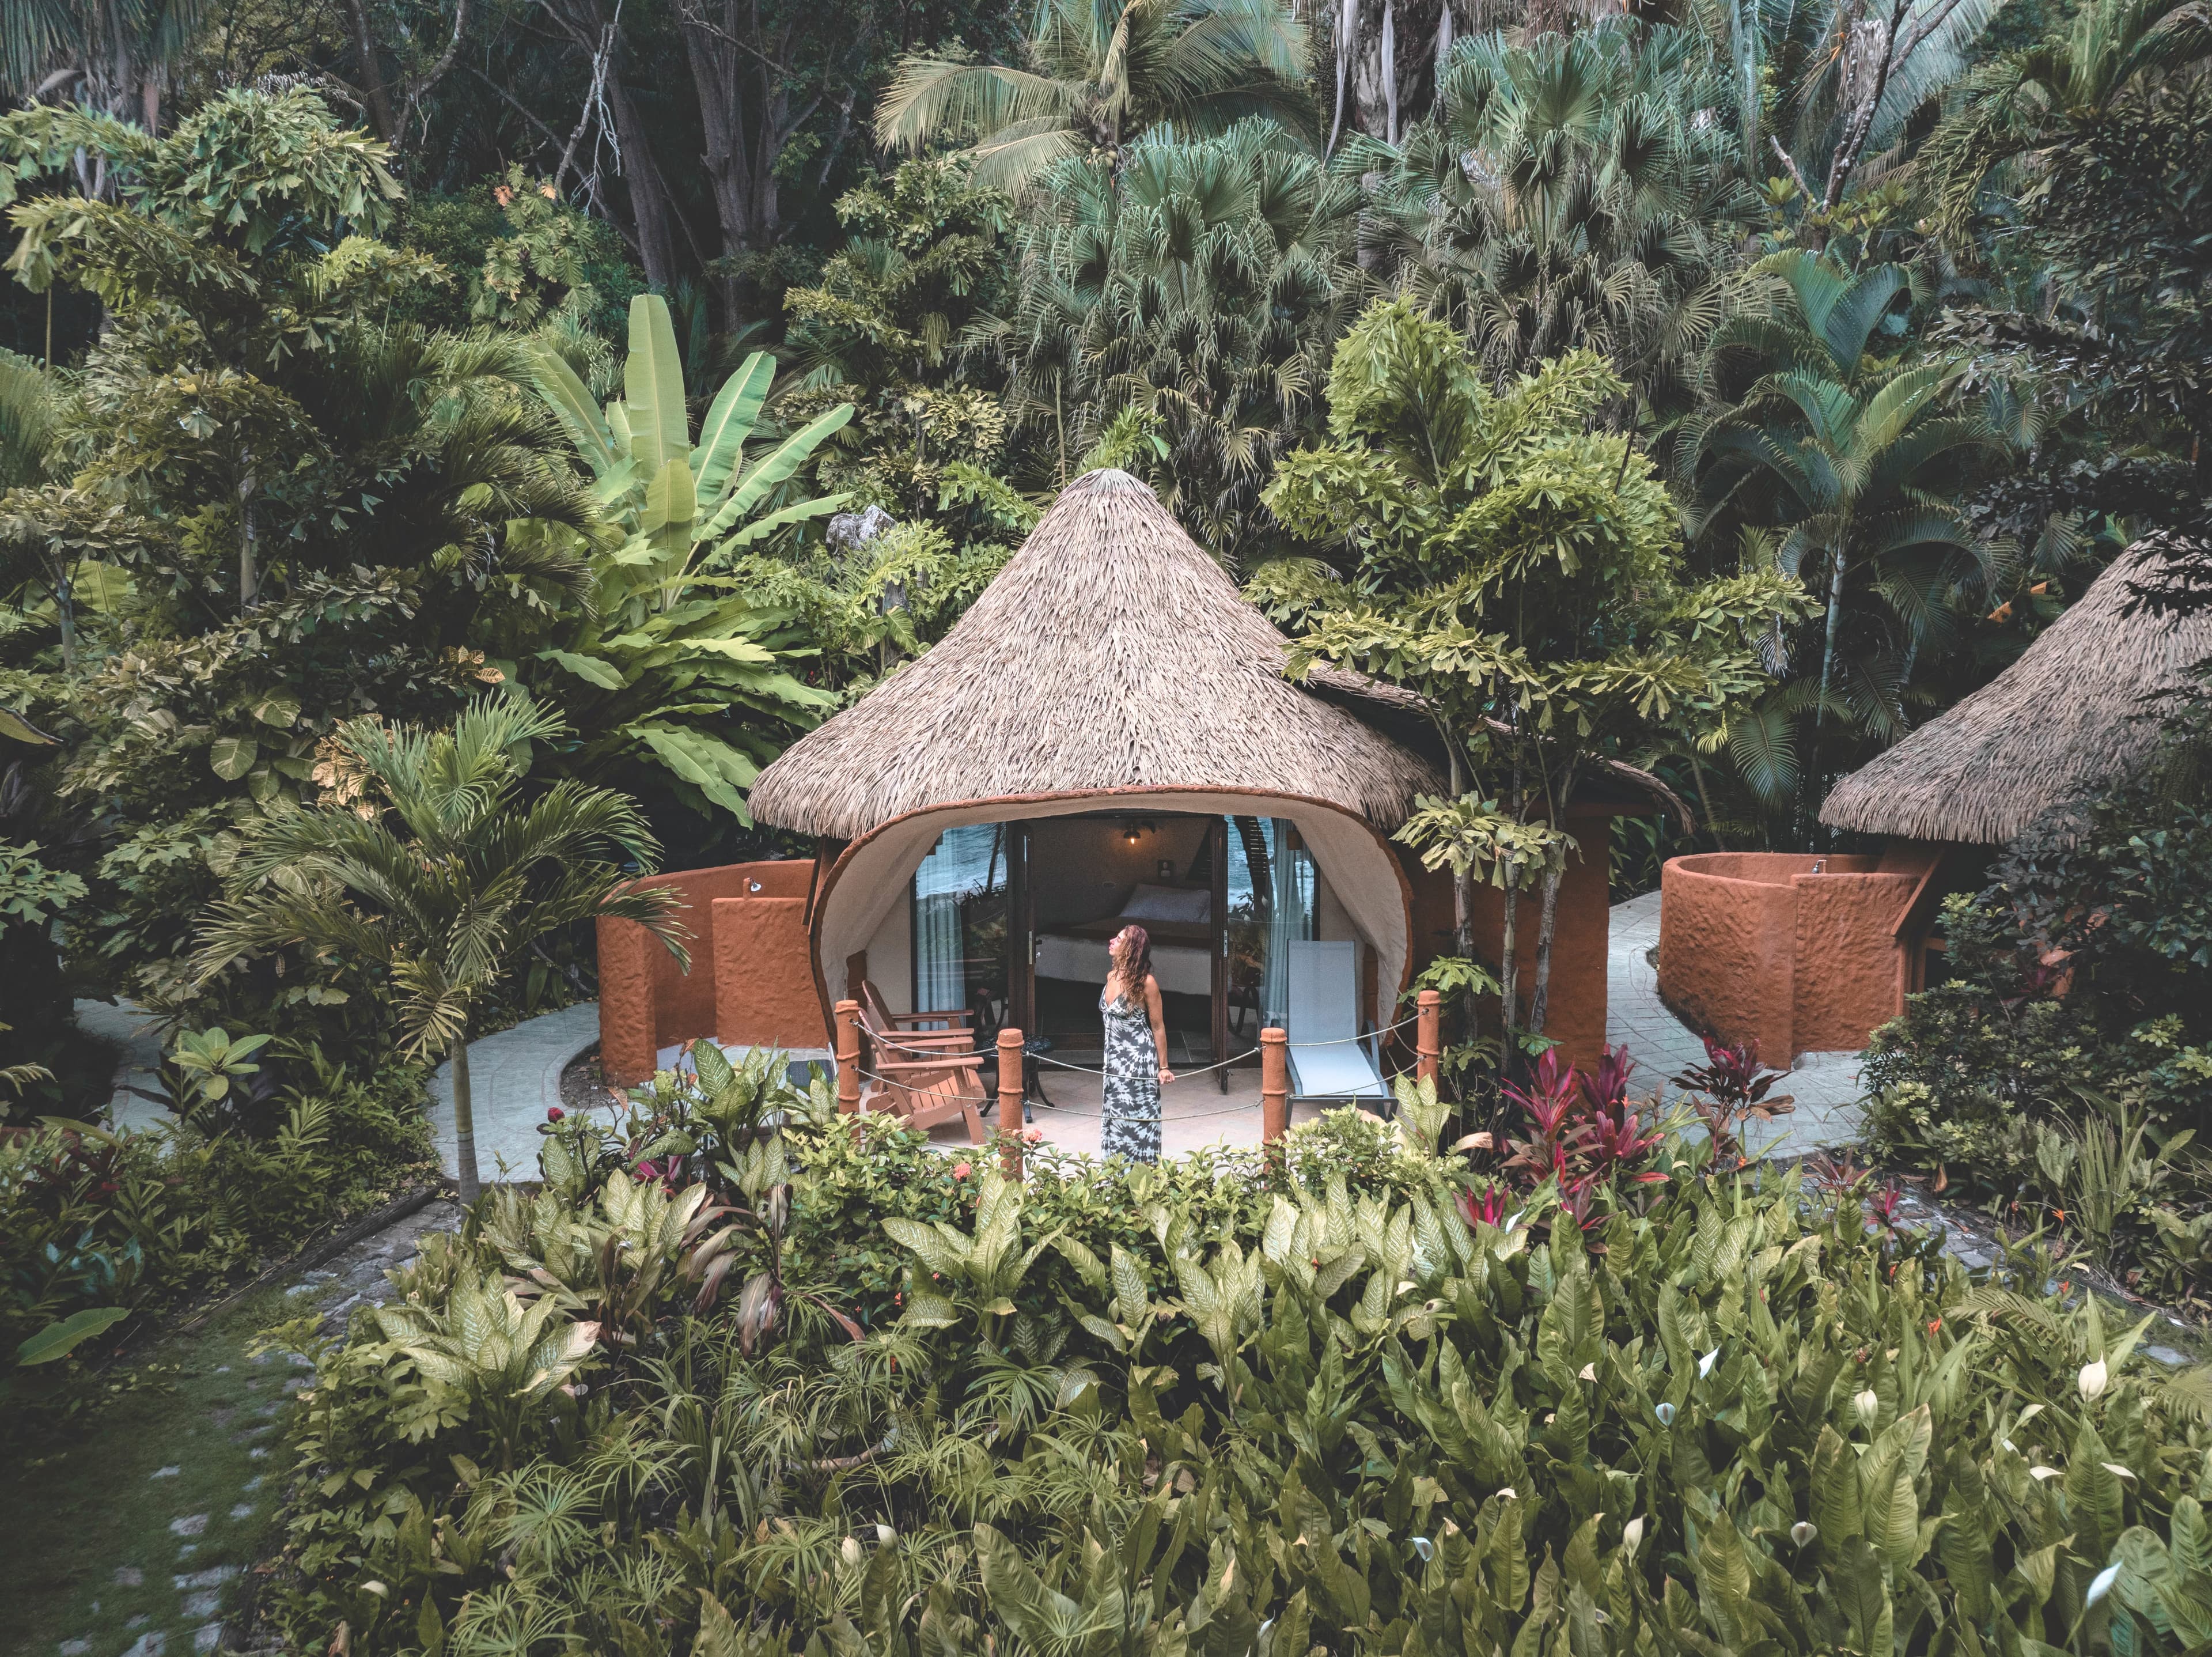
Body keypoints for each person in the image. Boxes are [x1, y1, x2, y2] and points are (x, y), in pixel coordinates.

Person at [1100, 923, 1174, 1162]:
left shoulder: (1147, 983)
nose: (1112, 940)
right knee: (1116, 1119)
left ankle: (1145, 1178)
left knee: (1139, 1121)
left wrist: (1163, 1067)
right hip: (1113, 1062)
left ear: (1130, 949)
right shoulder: (1111, 977)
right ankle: (1115, 1177)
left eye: (1119, 939)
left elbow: (1159, 1026)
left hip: (1138, 1061)